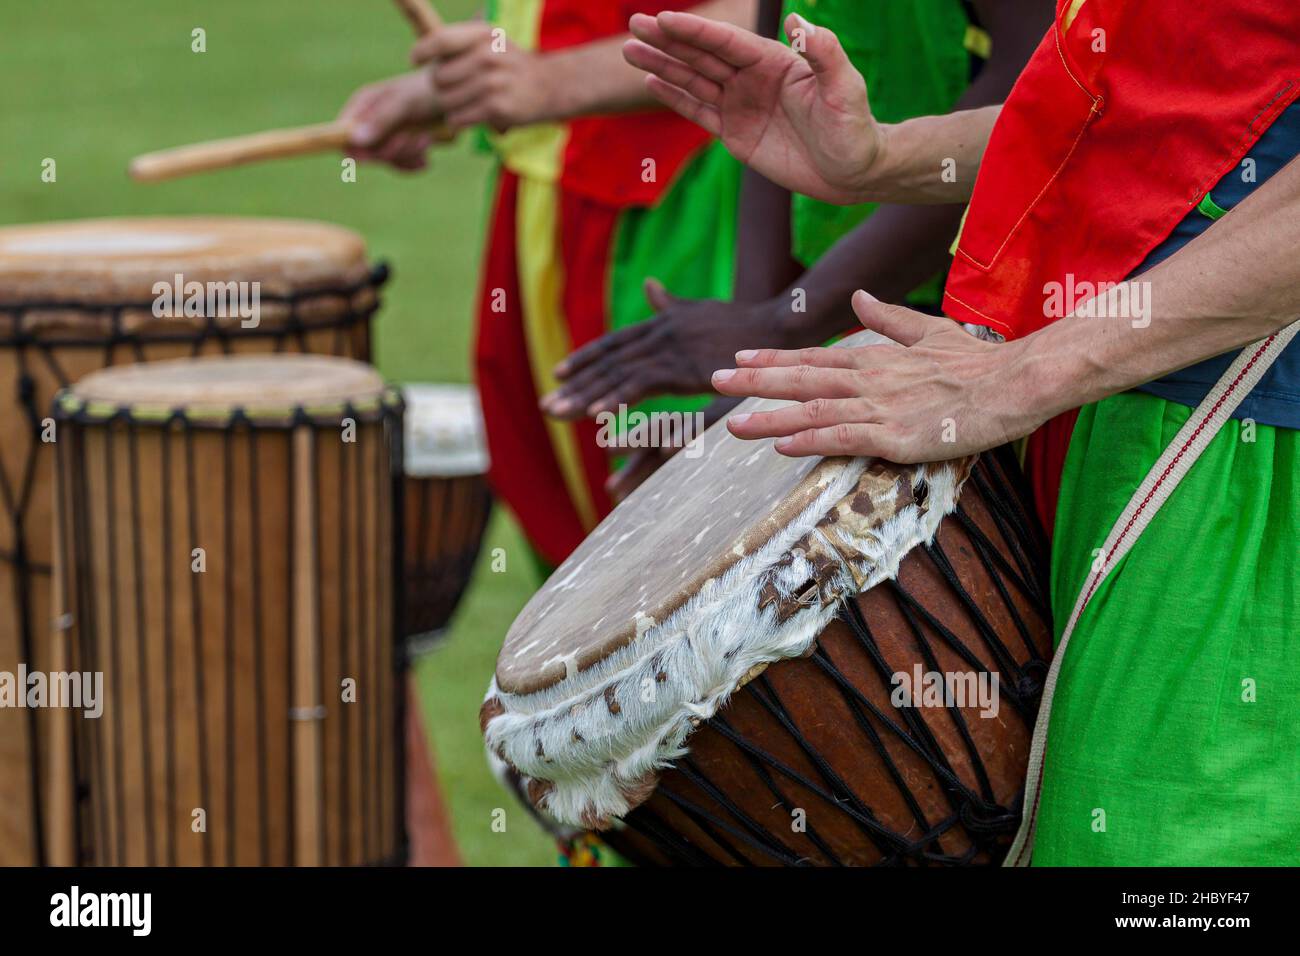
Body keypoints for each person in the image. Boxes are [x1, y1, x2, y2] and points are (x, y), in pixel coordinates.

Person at [625, 3, 1300, 864]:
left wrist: (1024, 377)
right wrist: (878, 157)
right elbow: (1160, 108)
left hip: (1239, 440)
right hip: (1100, 397)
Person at [542, 0, 1052, 502]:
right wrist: (755, 367)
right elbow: (767, 96)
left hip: (988, 303)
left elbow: (1036, 97)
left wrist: (782, 323)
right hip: (842, 295)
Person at [338, 0, 756, 571]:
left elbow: (803, 13)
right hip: (546, 186)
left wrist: (548, 79)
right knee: (580, 564)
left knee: (700, 557)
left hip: (688, 195)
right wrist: (462, 87)